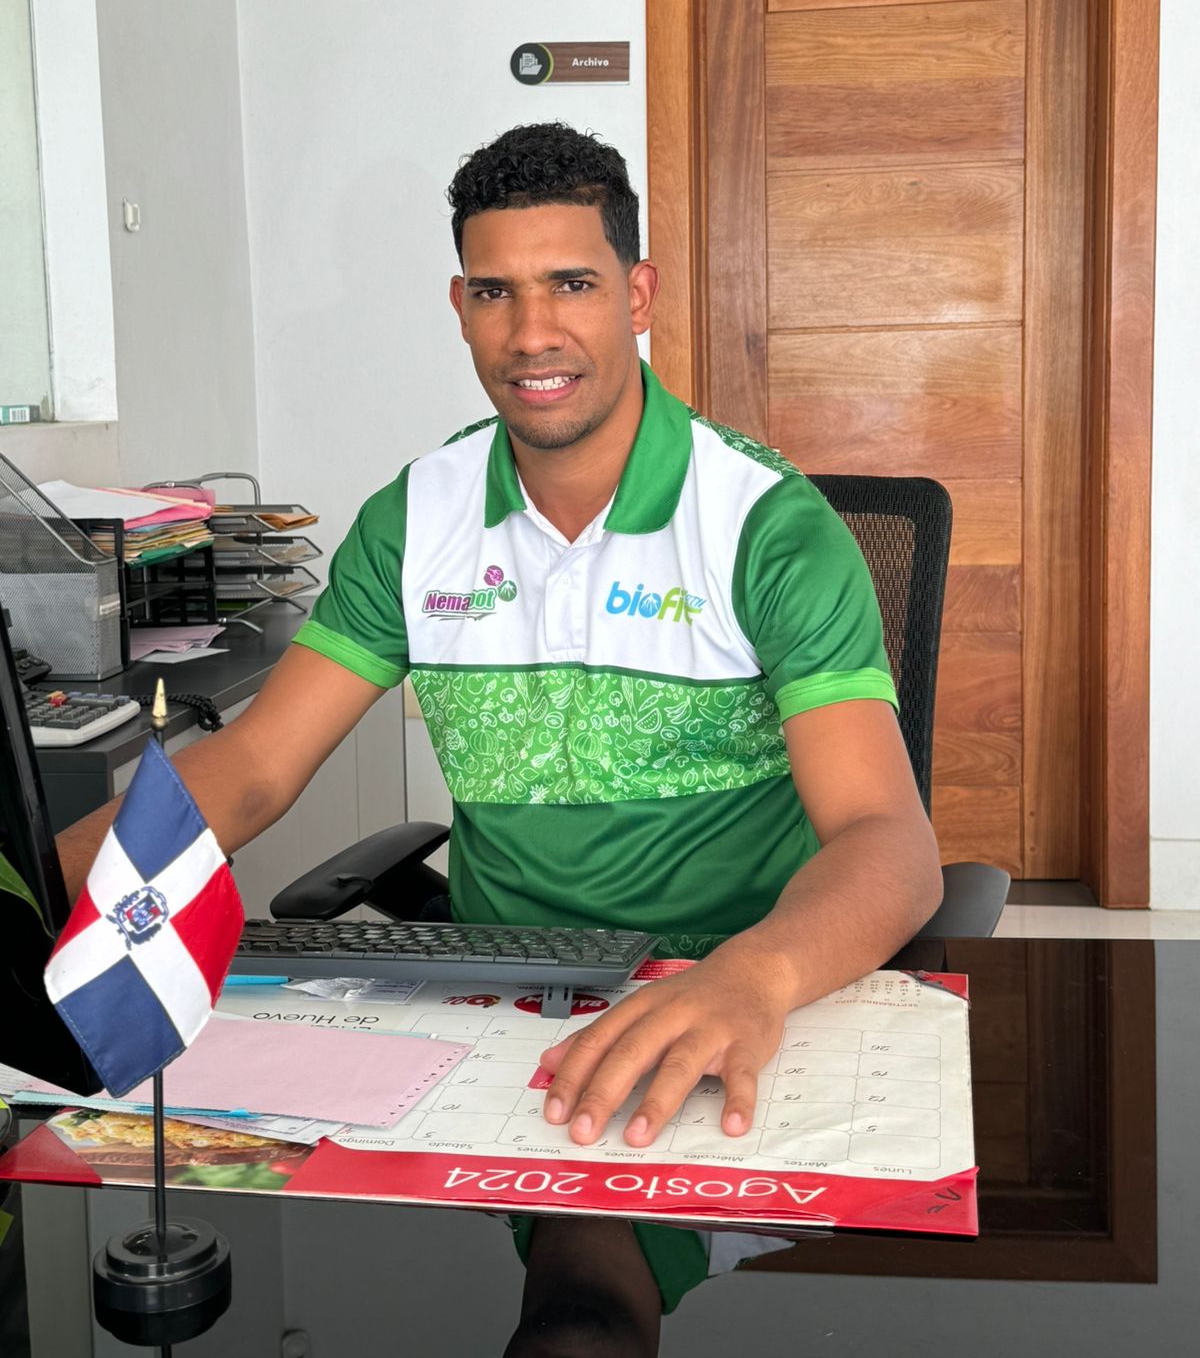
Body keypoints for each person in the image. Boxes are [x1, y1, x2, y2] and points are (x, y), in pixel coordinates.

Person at [56, 120, 942, 1325]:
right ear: (460, 307)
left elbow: (891, 840)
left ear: (637, 295)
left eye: (572, 283)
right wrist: (34, 887)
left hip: (730, 994)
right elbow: (255, 767)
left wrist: (752, 976)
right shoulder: (415, 517)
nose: (532, 333)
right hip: (497, 1012)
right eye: (495, 292)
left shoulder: (764, 525)